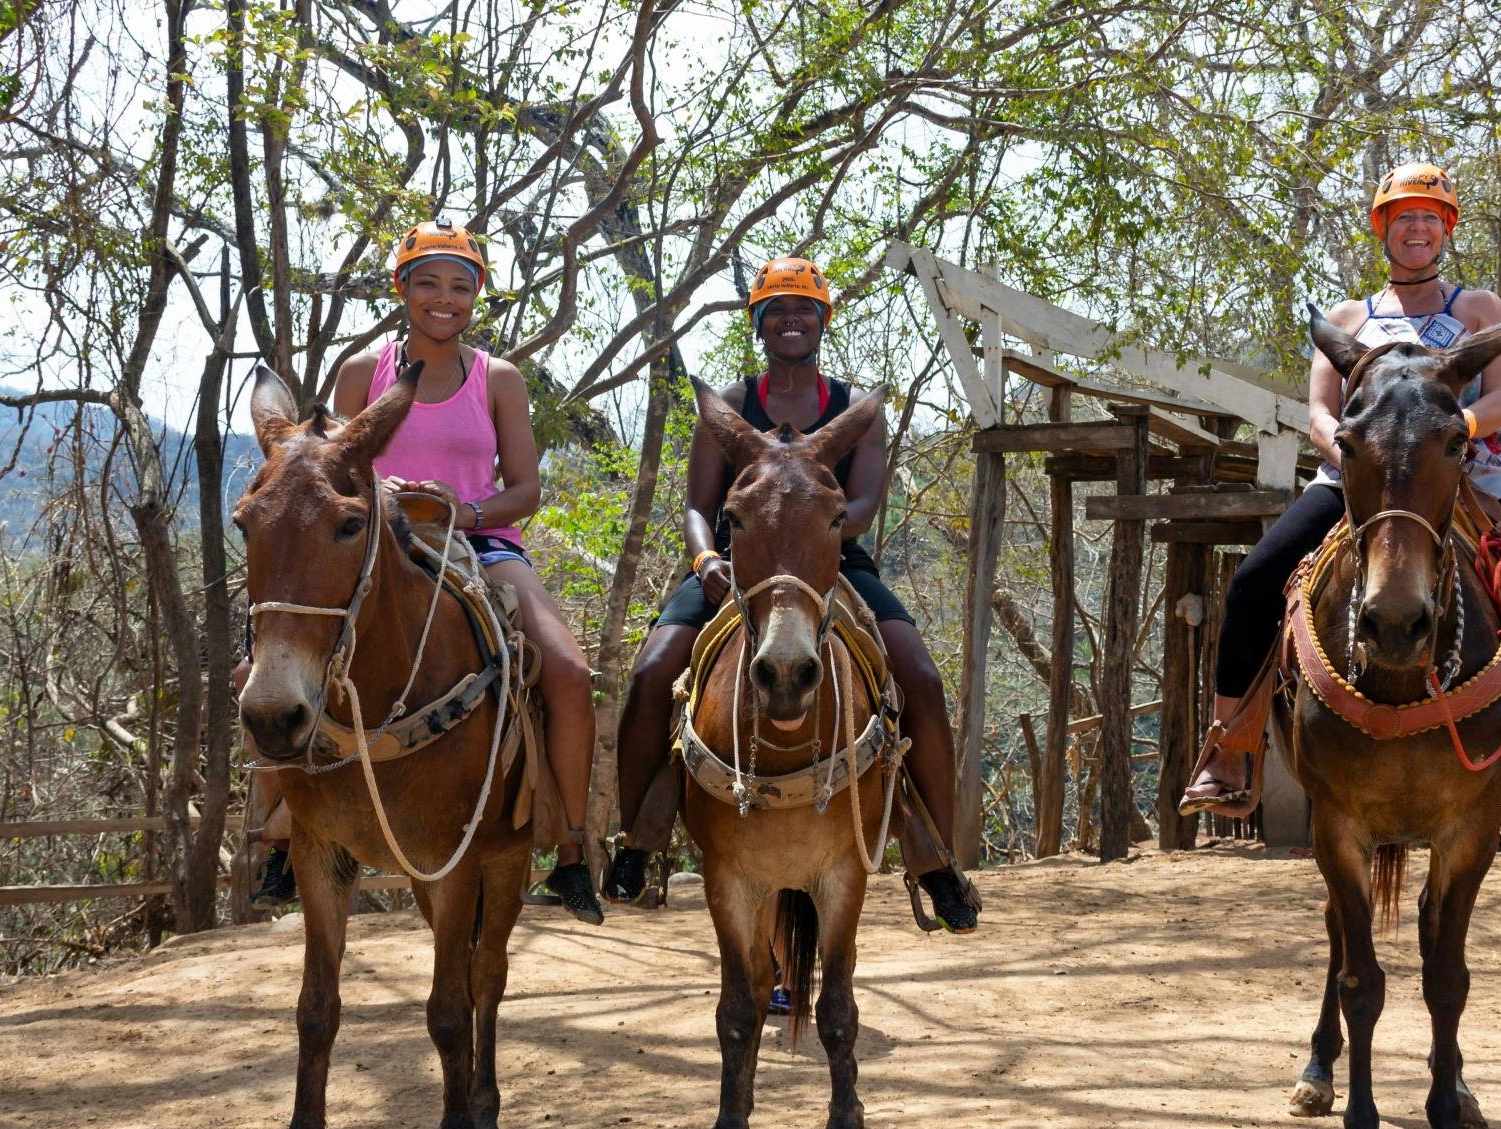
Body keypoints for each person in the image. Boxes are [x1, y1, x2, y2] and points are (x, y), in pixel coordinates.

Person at [1180, 164, 1501, 865]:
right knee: (1255, 581)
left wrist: (1449, 434)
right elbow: (1321, 413)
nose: (1417, 228)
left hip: (1474, 476)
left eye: (1430, 217)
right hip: (1359, 480)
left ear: (1446, 230)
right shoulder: (1347, 320)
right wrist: (1356, 458)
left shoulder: (1480, 309)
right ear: (1382, 228)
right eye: (1404, 215)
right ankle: (1230, 751)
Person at [598, 256, 981, 930]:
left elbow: (862, 504)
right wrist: (706, 558)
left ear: (823, 320)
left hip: (829, 559)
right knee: (653, 671)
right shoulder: (732, 404)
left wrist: (810, 526)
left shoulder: (854, 408)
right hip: (735, 561)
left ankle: (936, 859)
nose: (791, 320)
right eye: (777, 310)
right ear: (759, 323)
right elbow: (697, 507)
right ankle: (637, 839)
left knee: (920, 678)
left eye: (804, 308)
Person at [248, 219, 606, 924]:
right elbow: (329, 473)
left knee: (566, 670)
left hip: (481, 543)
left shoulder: (498, 379)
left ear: (476, 297)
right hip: (379, 546)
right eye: (429, 284)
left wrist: (467, 511)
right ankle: (283, 838)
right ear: (402, 289)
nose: (444, 299)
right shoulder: (363, 371)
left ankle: (569, 847)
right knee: (256, 670)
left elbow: (526, 489)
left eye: (460, 287)